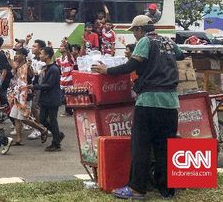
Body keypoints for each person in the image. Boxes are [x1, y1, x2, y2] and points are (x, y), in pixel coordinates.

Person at [92, 15, 183, 199]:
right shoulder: (168, 41)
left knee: (141, 146)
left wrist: (107, 71)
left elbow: (131, 65)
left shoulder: (145, 41)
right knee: (164, 147)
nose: (134, 35)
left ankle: (137, 189)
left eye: (134, 31)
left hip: (149, 101)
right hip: (171, 103)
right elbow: (180, 55)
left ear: (140, 29)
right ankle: (166, 189)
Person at [7, 47, 48, 145]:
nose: (16, 56)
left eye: (18, 54)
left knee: (24, 118)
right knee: (15, 117)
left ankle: (42, 129)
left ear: (24, 56)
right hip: (17, 96)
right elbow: (14, 68)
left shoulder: (27, 66)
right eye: (15, 54)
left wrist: (29, 67)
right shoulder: (18, 66)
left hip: (25, 97)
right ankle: (19, 139)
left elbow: (32, 75)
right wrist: (9, 59)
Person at [32, 46, 64, 152]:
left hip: (52, 99)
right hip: (45, 99)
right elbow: (41, 82)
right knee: (42, 120)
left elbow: (49, 85)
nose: (40, 55)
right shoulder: (45, 68)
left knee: (53, 120)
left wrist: (35, 87)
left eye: (41, 54)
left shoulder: (54, 69)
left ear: (47, 55)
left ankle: (56, 144)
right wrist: (36, 77)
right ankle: (57, 134)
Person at [26, 39, 47, 140]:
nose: (32, 48)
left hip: (39, 87)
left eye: (35, 47)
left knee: (35, 107)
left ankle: (39, 128)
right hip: (34, 86)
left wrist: (31, 69)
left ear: (41, 49)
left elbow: (38, 73)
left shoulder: (43, 62)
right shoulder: (34, 59)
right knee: (34, 108)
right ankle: (41, 126)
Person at [57, 39, 75, 117]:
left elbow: (70, 58)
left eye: (61, 46)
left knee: (68, 98)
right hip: (63, 81)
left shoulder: (69, 57)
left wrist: (67, 48)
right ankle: (69, 111)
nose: (59, 47)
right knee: (65, 99)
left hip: (69, 81)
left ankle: (69, 111)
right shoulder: (60, 58)